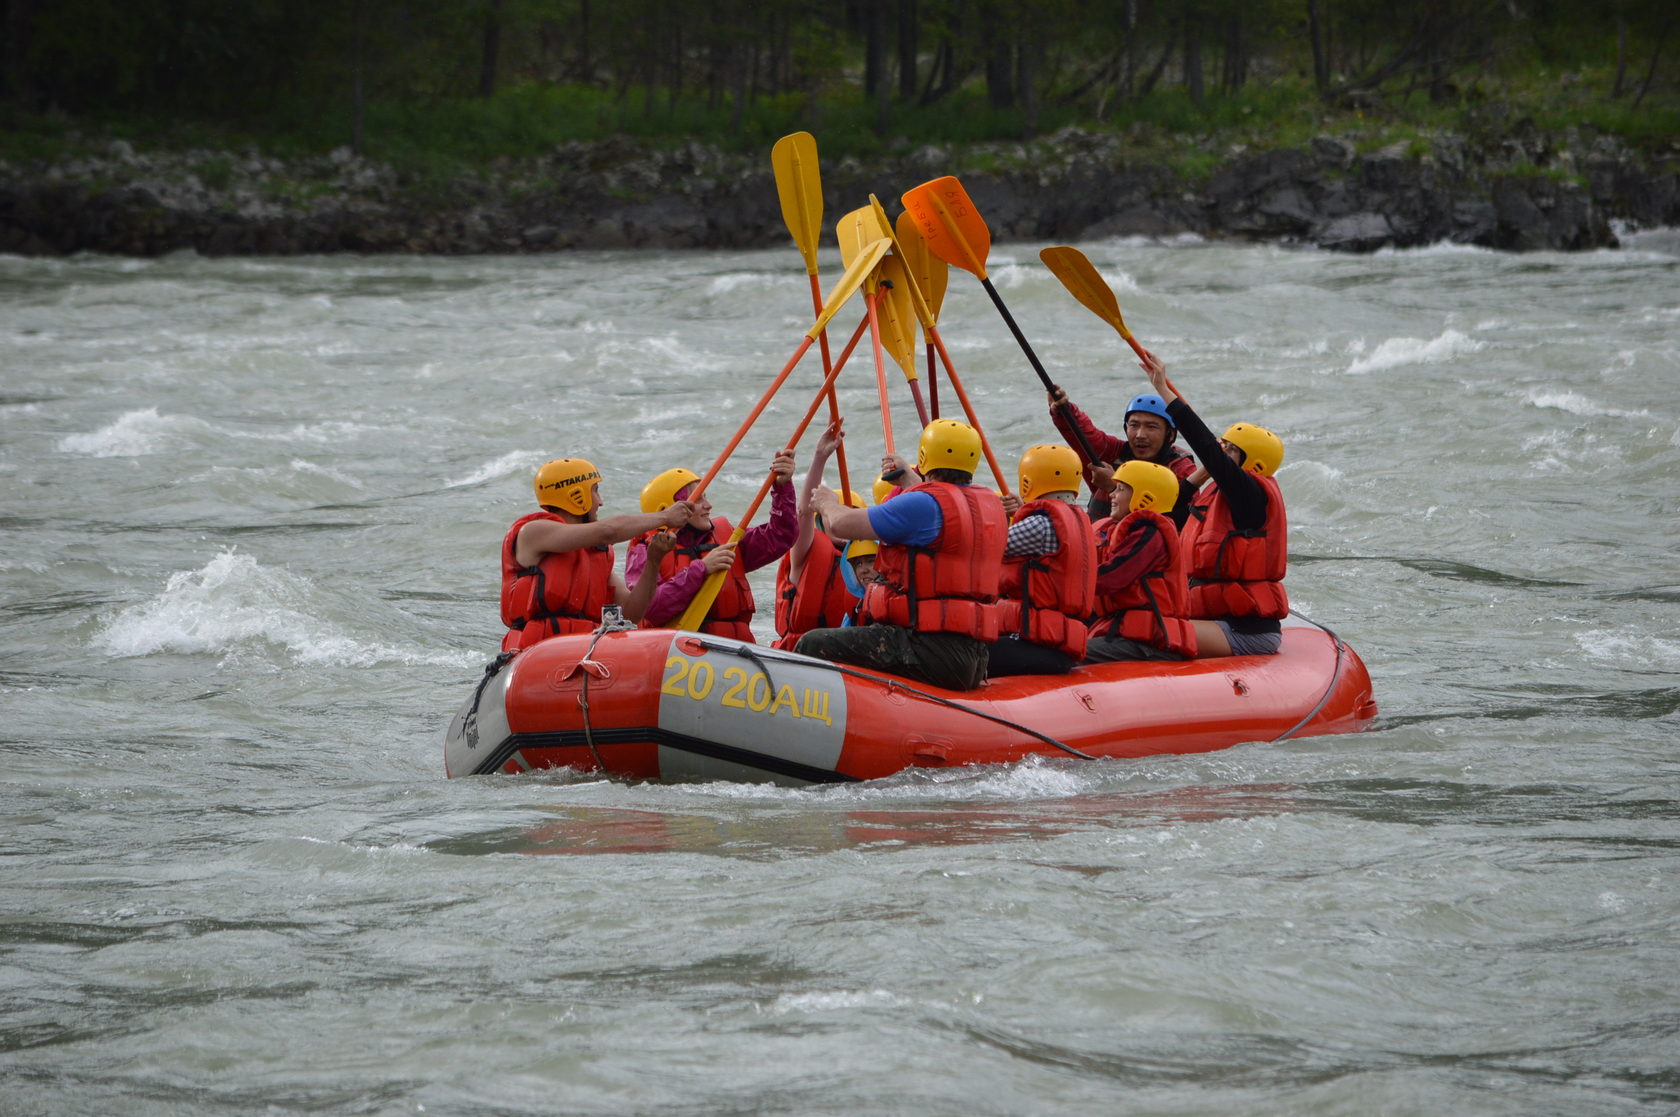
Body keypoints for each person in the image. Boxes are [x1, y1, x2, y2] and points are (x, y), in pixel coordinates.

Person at [795, 419, 1007, 691]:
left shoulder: (923, 504)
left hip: (929, 649)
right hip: (972, 654)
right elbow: (944, 515)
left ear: (924, 457)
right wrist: (910, 479)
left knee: (813, 643)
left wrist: (827, 503)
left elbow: (840, 524)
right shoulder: (989, 505)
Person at [1140, 352, 1288, 657]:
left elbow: (1205, 445)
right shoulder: (1216, 496)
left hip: (1244, 631)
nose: (1222, 455)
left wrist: (1164, 390)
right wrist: (1201, 473)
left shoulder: (1251, 496)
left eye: (1231, 451)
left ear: (1252, 463)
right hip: (1211, 619)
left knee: (1143, 630)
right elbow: (1171, 509)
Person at [500, 458, 692, 653]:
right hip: (534, 652)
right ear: (576, 495)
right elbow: (607, 531)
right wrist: (665, 517)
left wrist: (654, 560)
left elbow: (631, 614)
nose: (600, 502)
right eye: (595, 491)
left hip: (581, 651)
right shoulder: (533, 533)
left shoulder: (595, 553)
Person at [624, 449, 799, 642]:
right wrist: (702, 569)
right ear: (668, 509)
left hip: (733, 650)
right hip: (676, 654)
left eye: (705, 497)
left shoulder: (725, 539)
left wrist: (782, 487)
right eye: (698, 500)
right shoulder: (644, 550)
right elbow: (651, 609)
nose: (708, 505)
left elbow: (782, 535)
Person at [988, 444, 1098, 676]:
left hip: (1039, 645)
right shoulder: (1078, 518)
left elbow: (984, 549)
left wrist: (991, 512)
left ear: (1028, 481)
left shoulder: (1040, 523)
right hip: (1056, 642)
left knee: (969, 651)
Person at [1083, 460, 1197, 662]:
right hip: (1126, 634)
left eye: (1120, 489)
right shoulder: (1128, 531)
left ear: (1144, 499)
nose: (1111, 495)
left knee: (1071, 653)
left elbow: (1113, 577)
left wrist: (1066, 583)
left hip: (1152, 643)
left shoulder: (1151, 533)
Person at [1048, 385, 1199, 525]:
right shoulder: (1113, 453)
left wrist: (1113, 487)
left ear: (1170, 434)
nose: (1140, 435)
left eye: (1151, 427)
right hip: (1100, 544)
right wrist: (1063, 410)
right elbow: (1083, 433)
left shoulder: (1182, 469)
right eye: (1134, 425)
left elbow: (1180, 521)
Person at [771, 423, 857, 650]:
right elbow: (804, 512)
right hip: (800, 651)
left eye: (849, 516)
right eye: (831, 514)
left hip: (847, 656)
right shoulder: (806, 553)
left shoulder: (868, 560)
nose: (839, 521)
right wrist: (820, 456)